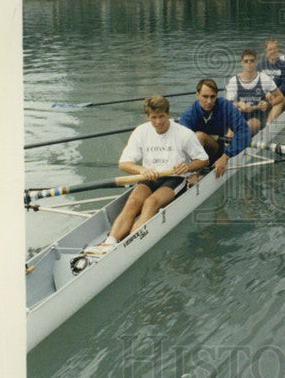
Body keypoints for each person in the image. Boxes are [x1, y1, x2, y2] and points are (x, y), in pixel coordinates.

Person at [84, 95, 209, 257]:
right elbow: (124, 164)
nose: (158, 122)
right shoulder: (141, 131)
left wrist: (187, 167)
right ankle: (110, 243)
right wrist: (141, 170)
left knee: (151, 203)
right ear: (148, 117)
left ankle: (128, 246)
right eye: (154, 118)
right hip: (150, 176)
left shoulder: (184, 134)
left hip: (175, 177)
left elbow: (204, 160)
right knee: (133, 202)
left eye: (162, 116)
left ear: (168, 114)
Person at [177, 78, 252, 178]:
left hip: (217, 151)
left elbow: (244, 132)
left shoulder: (225, 106)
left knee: (199, 136)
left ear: (217, 96)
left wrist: (226, 156)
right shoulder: (188, 115)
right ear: (197, 95)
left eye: (213, 97)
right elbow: (181, 145)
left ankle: (194, 175)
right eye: (205, 96)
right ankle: (193, 175)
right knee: (193, 138)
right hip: (194, 157)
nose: (209, 101)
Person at [225, 48, 285, 134]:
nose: (249, 63)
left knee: (252, 124)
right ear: (242, 63)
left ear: (256, 62)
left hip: (258, 115)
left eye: (252, 61)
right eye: (246, 61)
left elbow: (280, 97)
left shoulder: (264, 78)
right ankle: (230, 143)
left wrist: (268, 104)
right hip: (240, 114)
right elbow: (228, 104)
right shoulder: (234, 81)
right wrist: (238, 104)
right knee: (231, 131)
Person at [258, 39, 285, 104]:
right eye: (270, 49)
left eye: (275, 49)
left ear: (278, 50)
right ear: (266, 51)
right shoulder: (260, 66)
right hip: (263, 95)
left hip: (279, 96)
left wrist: (273, 93)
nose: (273, 51)